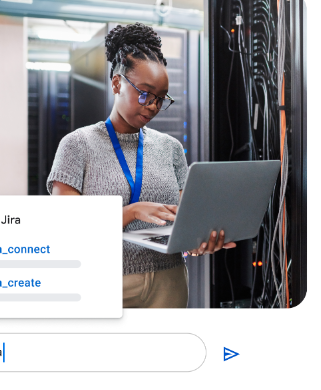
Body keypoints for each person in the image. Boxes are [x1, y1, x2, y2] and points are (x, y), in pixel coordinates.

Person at [47, 22, 236, 308]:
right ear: (117, 83)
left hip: (168, 281)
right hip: (102, 282)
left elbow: (186, 218)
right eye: (145, 93)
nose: (152, 106)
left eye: (161, 99)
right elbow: (67, 226)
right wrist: (131, 211)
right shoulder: (77, 145)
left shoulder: (170, 148)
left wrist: (199, 239)